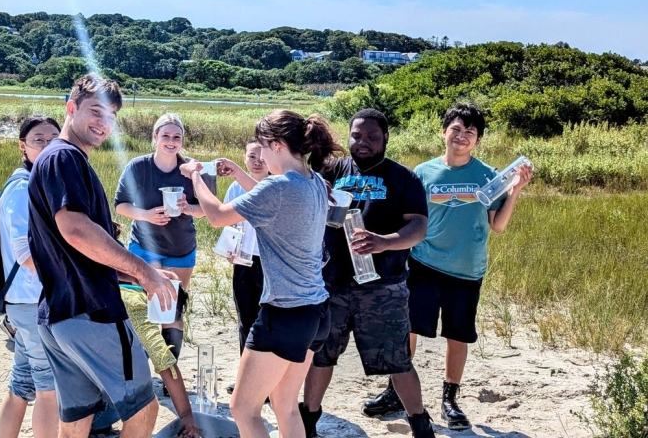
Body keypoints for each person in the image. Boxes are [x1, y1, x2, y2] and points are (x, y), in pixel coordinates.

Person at [27, 73, 179, 438]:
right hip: (91, 313)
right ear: (70, 108)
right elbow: (75, 230)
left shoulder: (55, 160)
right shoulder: (65, 158)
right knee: (144, 408)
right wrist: (144, 272)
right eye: (95, 111)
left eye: (110, 116)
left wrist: (135, 274)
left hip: (60, 315)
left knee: (76, 421)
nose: (102, 123)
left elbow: (78, 252)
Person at [363, 103, 531, 430]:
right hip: (424, 263)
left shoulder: (489, 175)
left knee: (458, 335)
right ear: (444, 131)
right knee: (408, 328)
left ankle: (449, 399)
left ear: (478, 140)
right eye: (456, 129)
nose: (461, 136)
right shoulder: (423, 173)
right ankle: (396, 391)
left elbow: (497, 225)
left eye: (470, 132)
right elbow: (409, 220)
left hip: (467, 269)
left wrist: (515, 191)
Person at [181, 110, 339, 438]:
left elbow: (216, 216)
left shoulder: (278, 188)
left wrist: (197, 176)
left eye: (263, 148)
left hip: (284, 313)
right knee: (284, 404)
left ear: (277, 145)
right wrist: (239, 172)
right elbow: (267, 200)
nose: (261, 155)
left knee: (243, 408)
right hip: (316, 312)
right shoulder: (313, 182)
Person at [300, 109, 436, 438]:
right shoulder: (330, 170)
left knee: (397, 359)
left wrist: (383, 243)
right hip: (332, 284)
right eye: (357, 136)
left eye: (372, 137)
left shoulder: (403, 178)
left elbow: (418, 227)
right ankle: (307, 423)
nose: (363, 143)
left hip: (383, 287)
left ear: (385, 138)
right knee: (321, 355)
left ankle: (420, 424)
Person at [114, 113, 214, 366]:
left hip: (180, 249)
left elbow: (208, 210)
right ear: (155, 137)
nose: (171, 141)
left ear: (182, 140)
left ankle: (170, 370)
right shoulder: (138, 167)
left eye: (177, 137)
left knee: (172, 308)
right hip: (143, 246)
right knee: (140, 308)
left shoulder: (193, 169)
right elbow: (121, 206)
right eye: (166, 136)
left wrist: (187, 209)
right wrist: (146, 215)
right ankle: (138, 368)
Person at [0, 115, 61, 438]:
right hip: (30, 301)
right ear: (23, 146)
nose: (48, 145)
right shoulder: (22, 188)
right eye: (39, 140)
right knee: (49, 389)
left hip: (26, 302)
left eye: (54, 138)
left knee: (22, 383)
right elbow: (25, 254)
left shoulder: (39, 183)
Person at [89, 284, 203, 438]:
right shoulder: (137, 308)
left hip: (67, 401)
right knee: (146, 403)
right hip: (93, 412)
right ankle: (98, 424)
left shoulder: (120, 287)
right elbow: (165, 363)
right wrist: (186, 416)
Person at [218, 140, 269, 394]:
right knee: (245, 321)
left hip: (270, 264)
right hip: (243, 262)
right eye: (252, 157)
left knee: (268, 322)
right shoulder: (236, 188)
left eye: (262, 157)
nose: (257, 162)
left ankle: (269, 384)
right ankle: (245, 379)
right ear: (244, 158)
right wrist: (228, 249)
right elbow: (229, 224)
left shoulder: (276, 186)